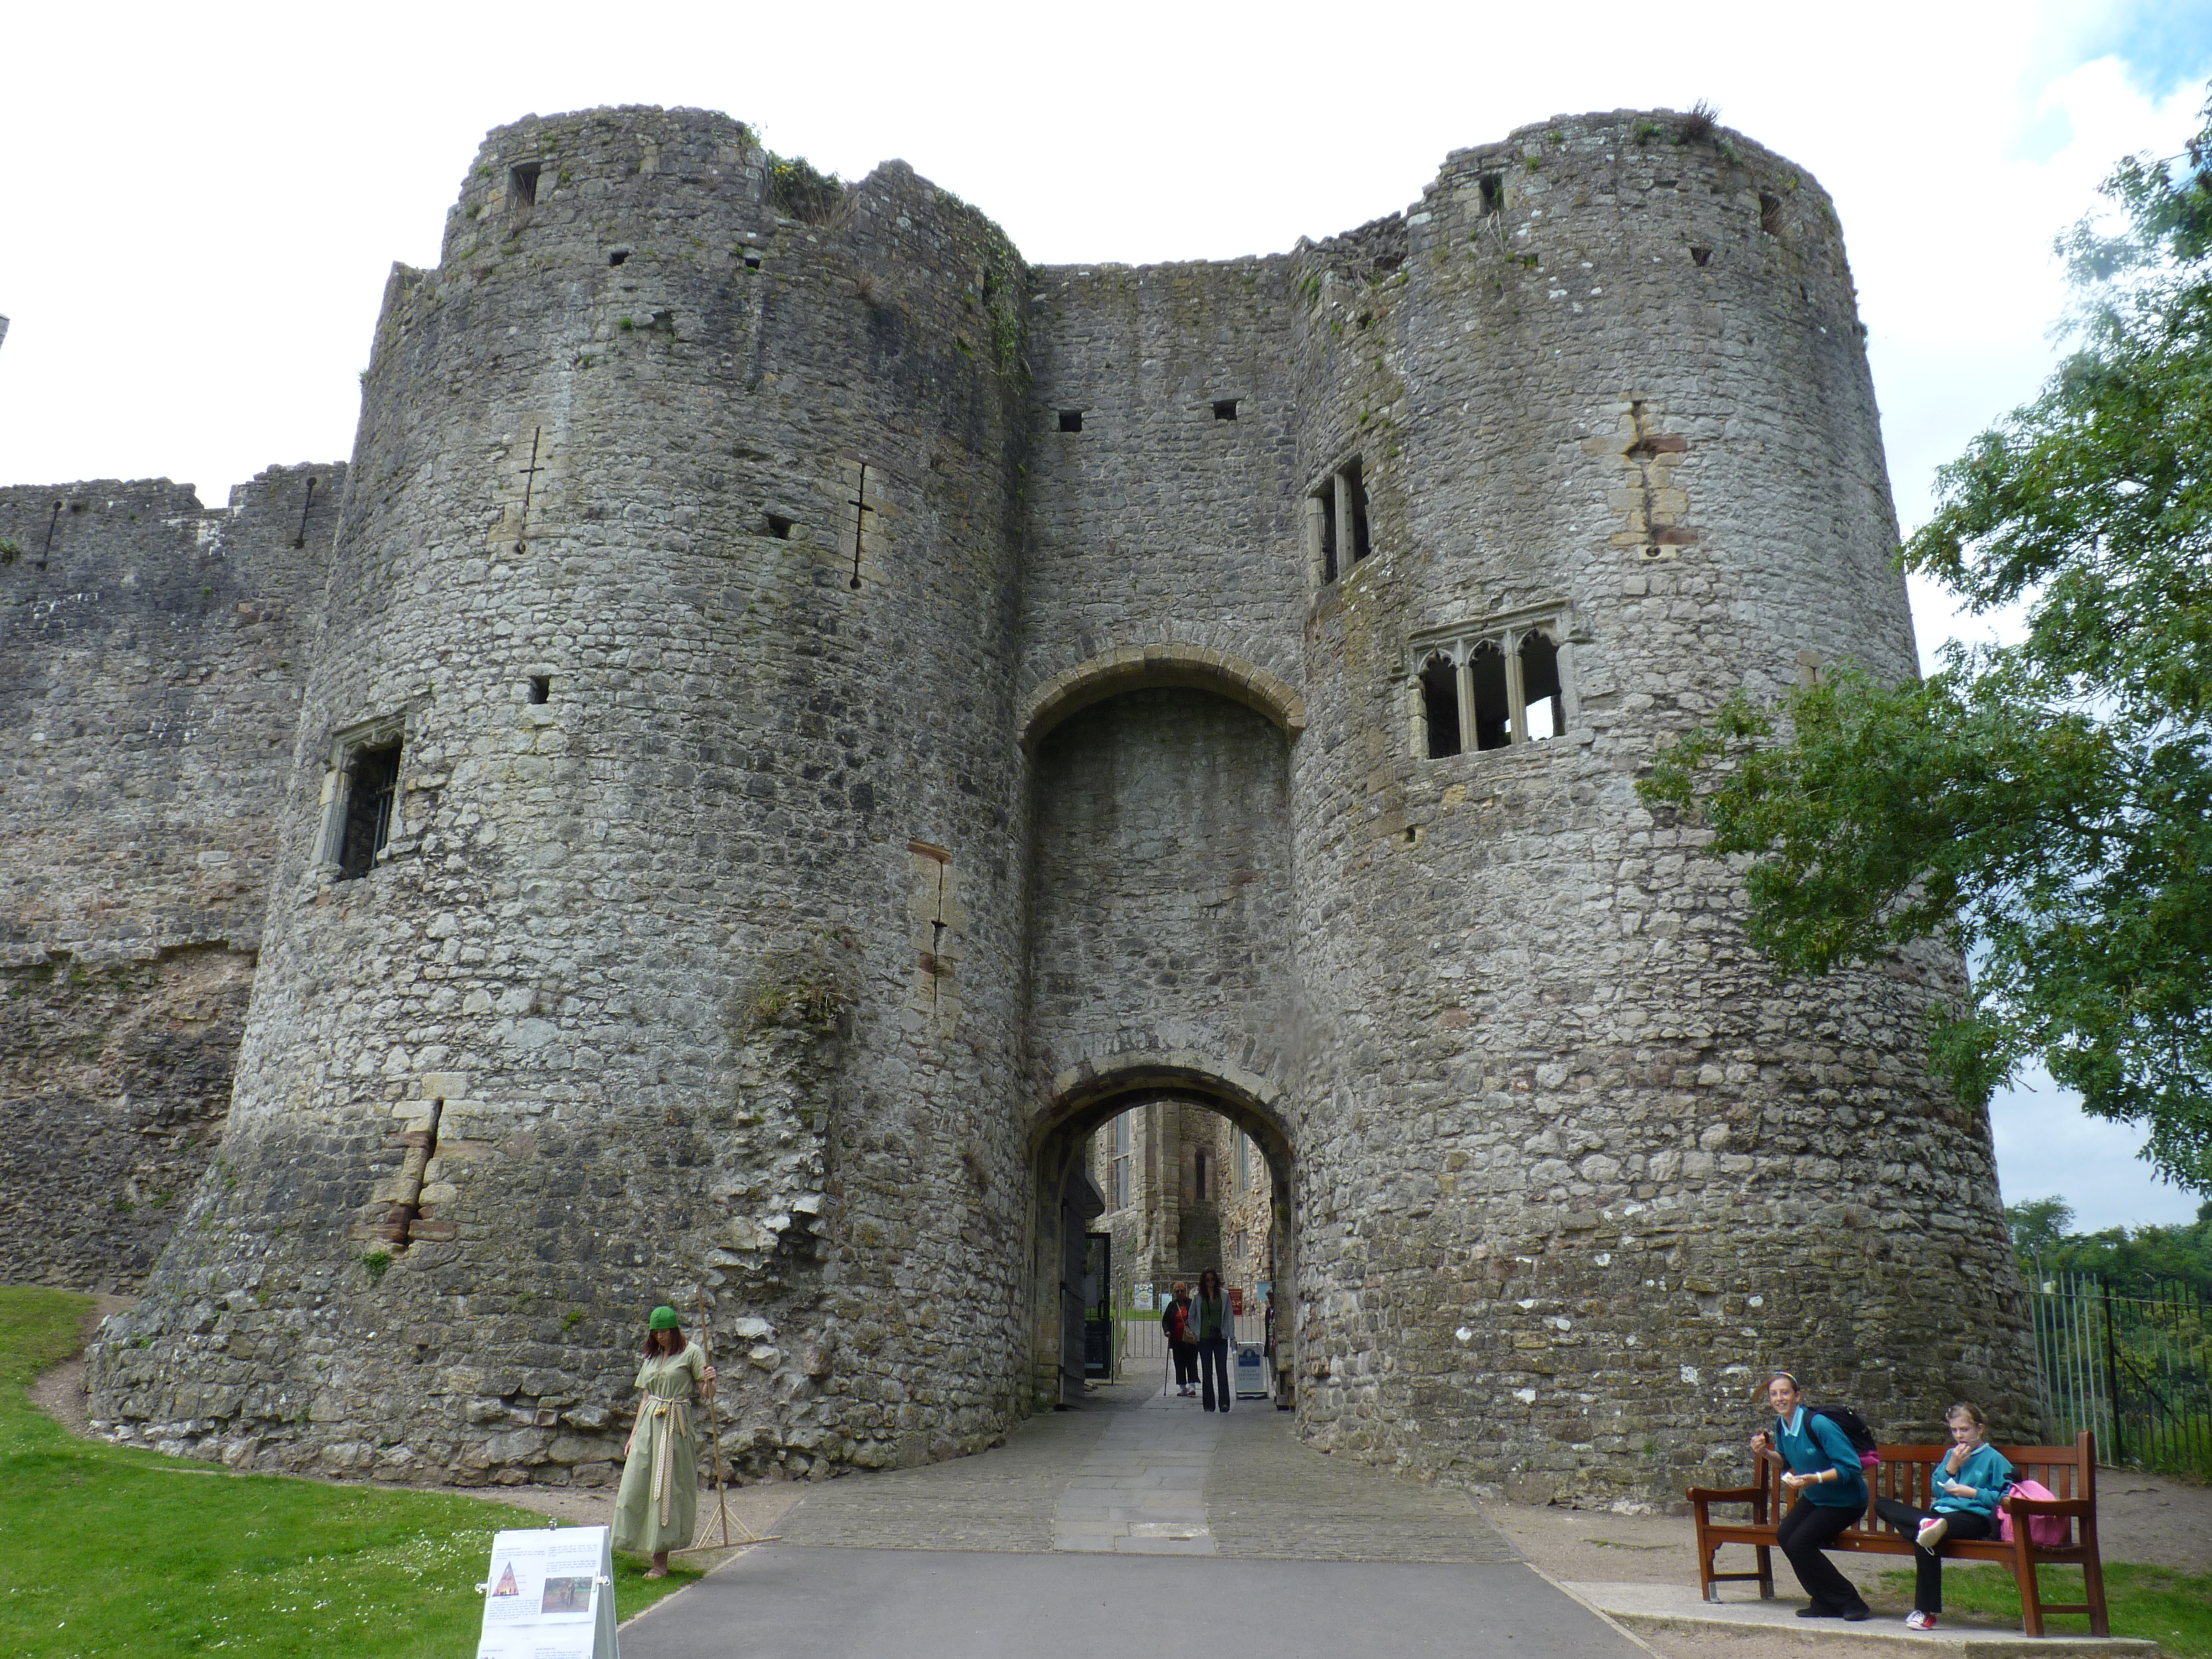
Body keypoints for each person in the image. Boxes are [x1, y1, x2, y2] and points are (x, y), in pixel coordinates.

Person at [1879, 1403, 2014, 1632]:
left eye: (1965, 1430)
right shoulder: (1951, 1455)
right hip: (1942, 1514)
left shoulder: (1994, 1459)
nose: (1959, 1436)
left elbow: (2007, 1497)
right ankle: (1924, 1523)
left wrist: (1973, 1493)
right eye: (1954, 1430)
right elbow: (1937, 1490)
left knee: (1928, 1536)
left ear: (1979, 1429)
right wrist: (1951, 1468)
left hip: (1973, 1517)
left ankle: (1925, 1612)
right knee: (1881, 1504)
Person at [1750, 1371, 1871, 1621]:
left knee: (1800, 1543)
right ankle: (1823, 1601)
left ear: (1798, 1396)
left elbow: (1850, 1467)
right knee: (1785, 1536)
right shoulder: (1781, 1425)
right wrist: (1765, 1453)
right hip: (1817, 1498)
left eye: (1785, 1393)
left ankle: (1851, 1601)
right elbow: (1783, 1461)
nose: (1779, 1398)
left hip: (1847, 1501)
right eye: (1774, 1394)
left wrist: (1814, 1478)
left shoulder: (1818, 1424)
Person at [613, 1305, 717, 1578]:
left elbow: (706, 1393)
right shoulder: (652, 1357)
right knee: (636, 1485)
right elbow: (646, 1397)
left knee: (666, 1489)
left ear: (675, 1330)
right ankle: (631, 1544)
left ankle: (661, 1562)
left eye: (665, 1331)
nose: (661, 1337)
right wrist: (633, 1435)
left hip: (675, 1425)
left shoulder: (692, 1353)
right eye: (656, 1332)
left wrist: (710, 1381)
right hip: (649, 1425)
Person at [1193, 1269, 1233, 1413]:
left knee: (1222, 1370)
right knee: (1207, 1372)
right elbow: (1192, 1316)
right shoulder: (1199, 1297)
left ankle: (1224, 1403)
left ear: (1216, 1281)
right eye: (1207, 1280)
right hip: (1204, 1338)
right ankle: (1209, 1404)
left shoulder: (1224, 1296)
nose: (1210, 1283)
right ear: (1204, 1282)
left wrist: (1232, 1336)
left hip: (1220, 1337)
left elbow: (1229, 1317)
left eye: (1212, 1280)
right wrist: (1196, 1332)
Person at [1163, 1282, 1197, 1396]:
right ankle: (1182, 1386)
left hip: (1190, 1339)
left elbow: (1198, 1318)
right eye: (1177, 1292)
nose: (1180, 1293)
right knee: (1179, 1363)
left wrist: (1191, 1323)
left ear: (1185, 1292)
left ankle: (1192, 1386)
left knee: (1191, 1362)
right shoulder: (1172, 1306)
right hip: (1177, 1340)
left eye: (1182, 1291)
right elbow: (1165, 1320)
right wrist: (1167, 1331)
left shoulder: (1191, 1304)